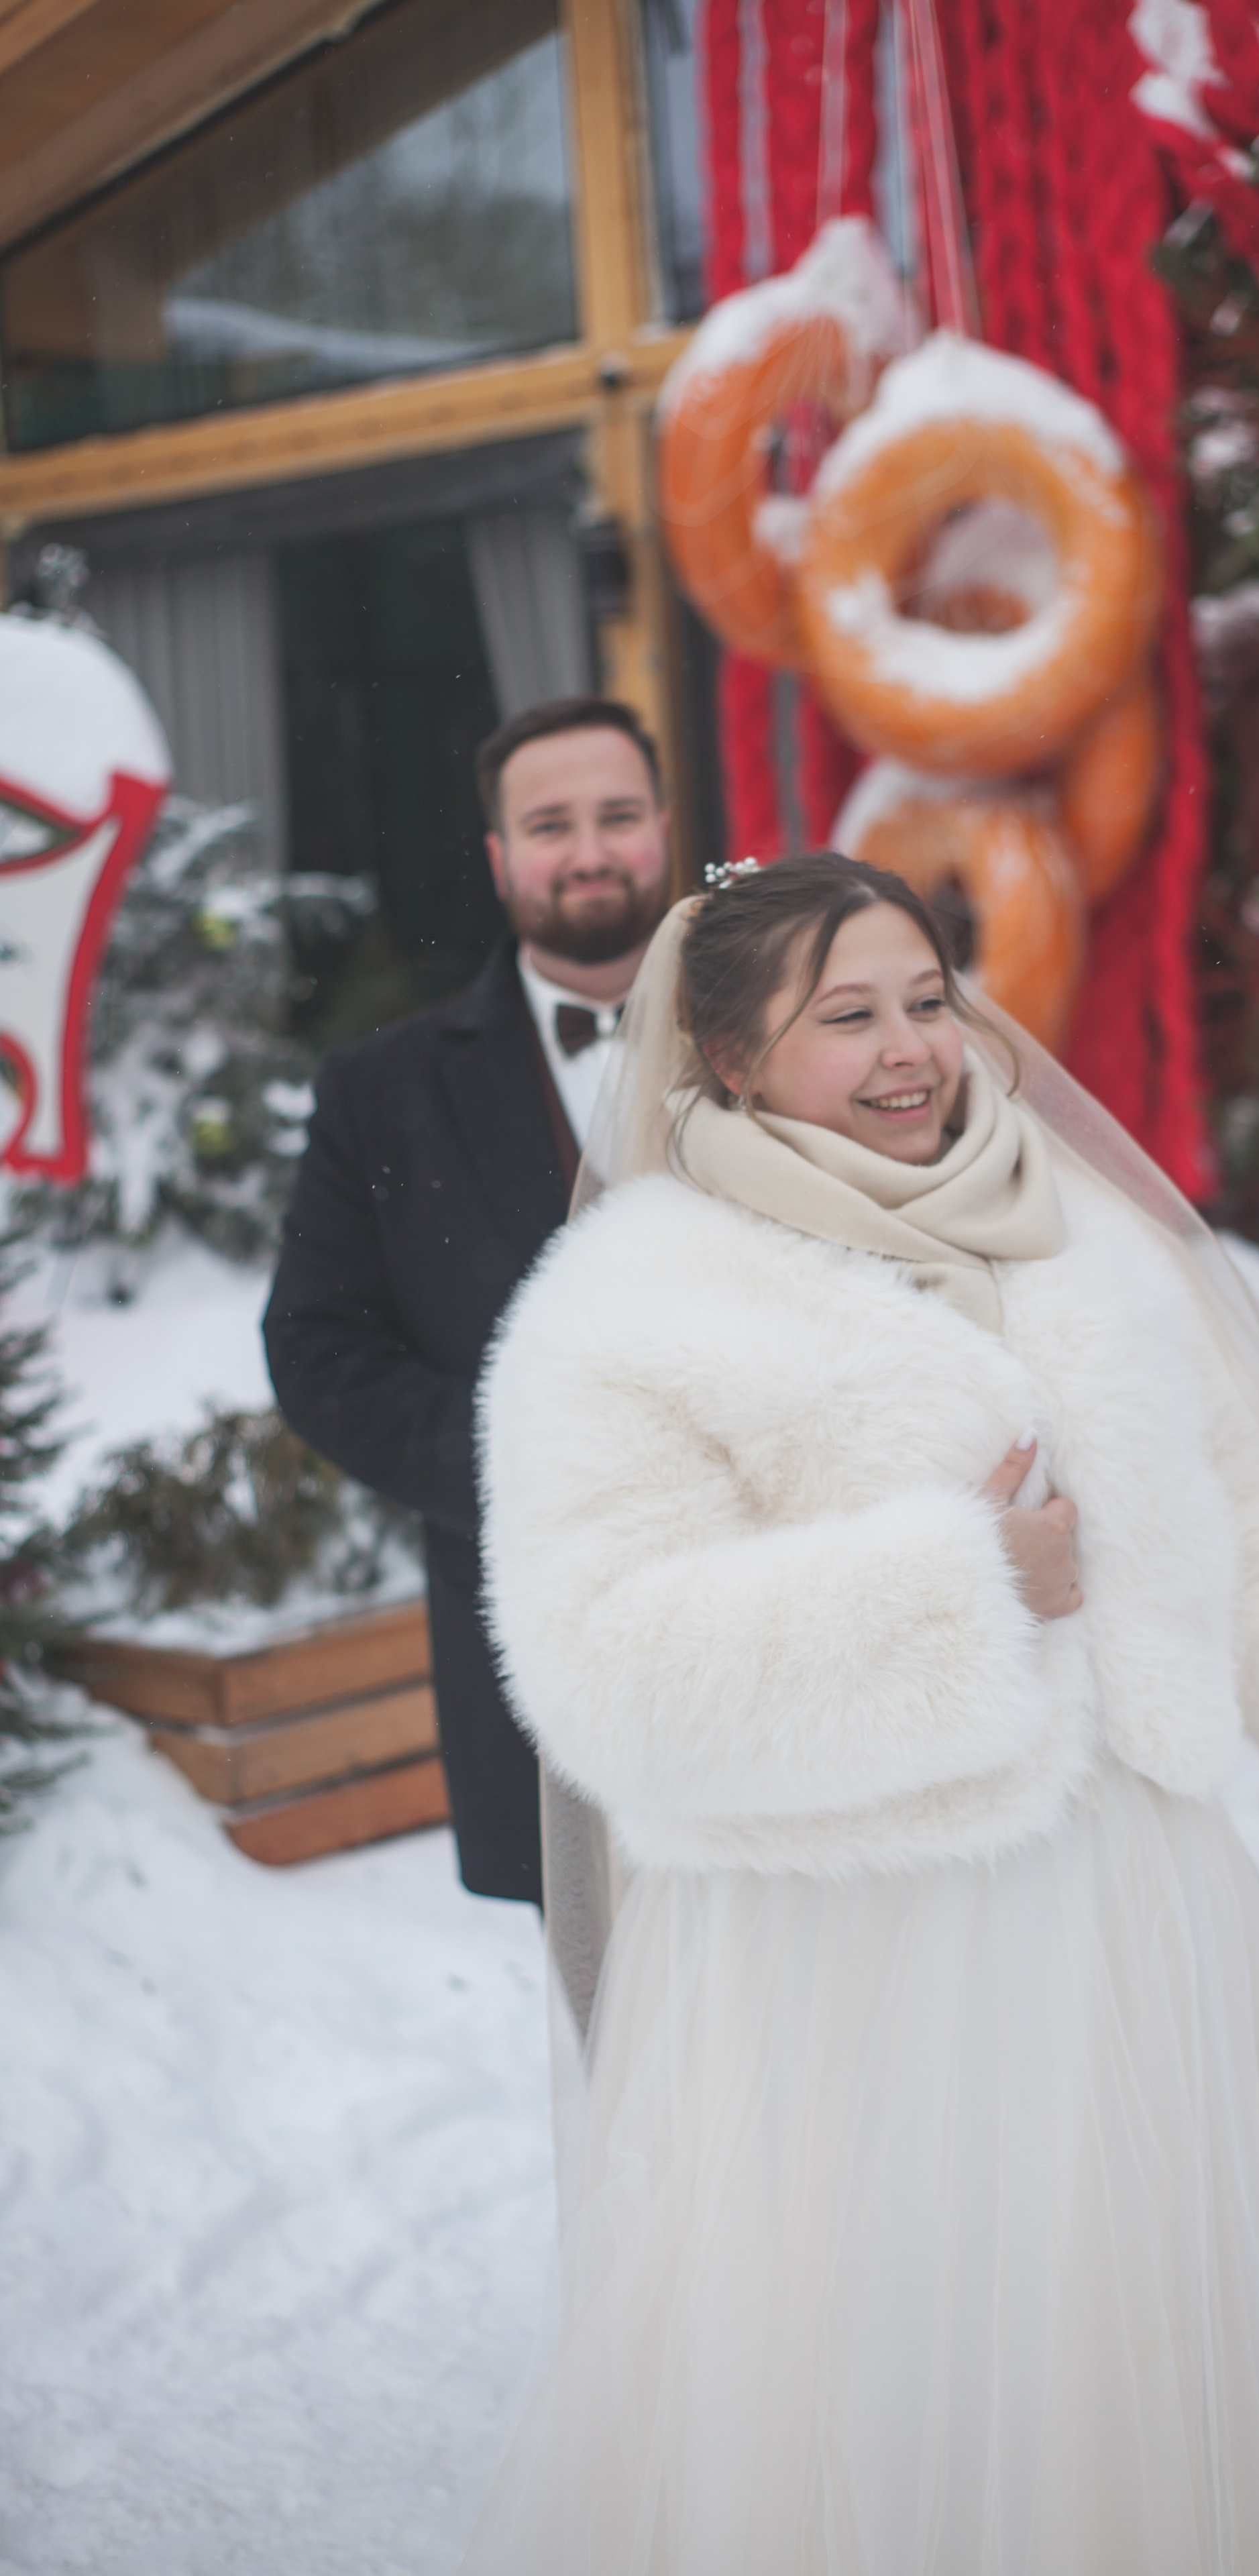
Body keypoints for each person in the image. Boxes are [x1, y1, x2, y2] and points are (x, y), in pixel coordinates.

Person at [467, 853, 1259, 2573]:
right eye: (843, 1017)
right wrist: (967, 1589)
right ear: (723, 1061)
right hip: (839, 1957)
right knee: (887, 2391)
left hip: (1125, 1916)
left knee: (1141, 2364)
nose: (909, 1050)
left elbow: (1252, 1551)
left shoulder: (1087, 1249)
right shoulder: (634, 1311)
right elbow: (601, 1664)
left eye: (925, 999)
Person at [263, 696, 672, 1915]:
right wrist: (530, 1465)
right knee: (630, 2065)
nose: (588, 850)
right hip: (543, 1659)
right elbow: (317, 1349)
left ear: (664, 829)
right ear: (500, 860)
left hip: (802, 1614)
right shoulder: (380, 1093)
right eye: (550, 825)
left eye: (617, 815)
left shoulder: (795, 1034)